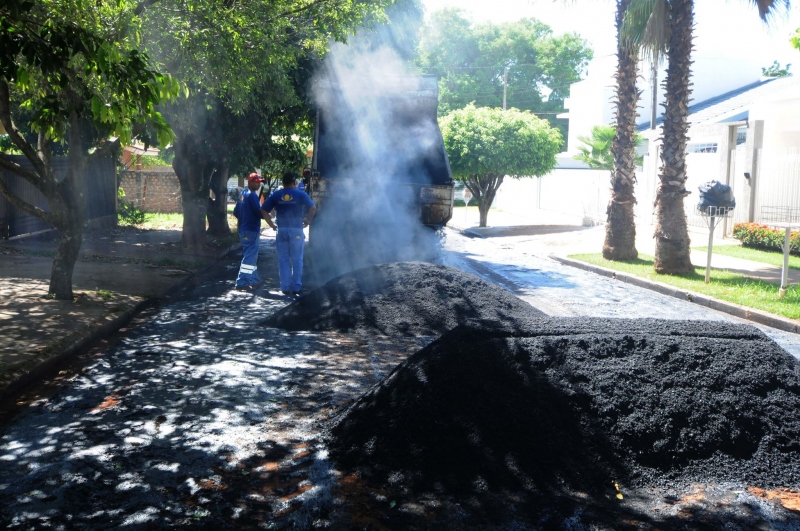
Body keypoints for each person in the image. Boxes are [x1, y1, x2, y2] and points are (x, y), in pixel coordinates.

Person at [261, 172, 316, 296]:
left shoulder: (276, 194)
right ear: (294, 182)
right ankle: (296, 287)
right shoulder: (301, 194)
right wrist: (308, 221)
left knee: (283, 260)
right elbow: (313, 208)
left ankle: (285, 287)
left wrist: (271, 225)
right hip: (296, 230)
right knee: (297, 260)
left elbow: (263, 210)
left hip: (282, 230)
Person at [232, 172, 264, 290]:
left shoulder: (242, 194)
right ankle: (241, 282)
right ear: (249, 182)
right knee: (250, 257)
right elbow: (259, 213)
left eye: (259, 182)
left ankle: (254, 280)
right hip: (251, 230)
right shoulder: (252, 196)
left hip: (243, 229)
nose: (258, 184)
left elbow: (236, 212)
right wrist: (267, 214)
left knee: (250, 256)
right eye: (256, 182)